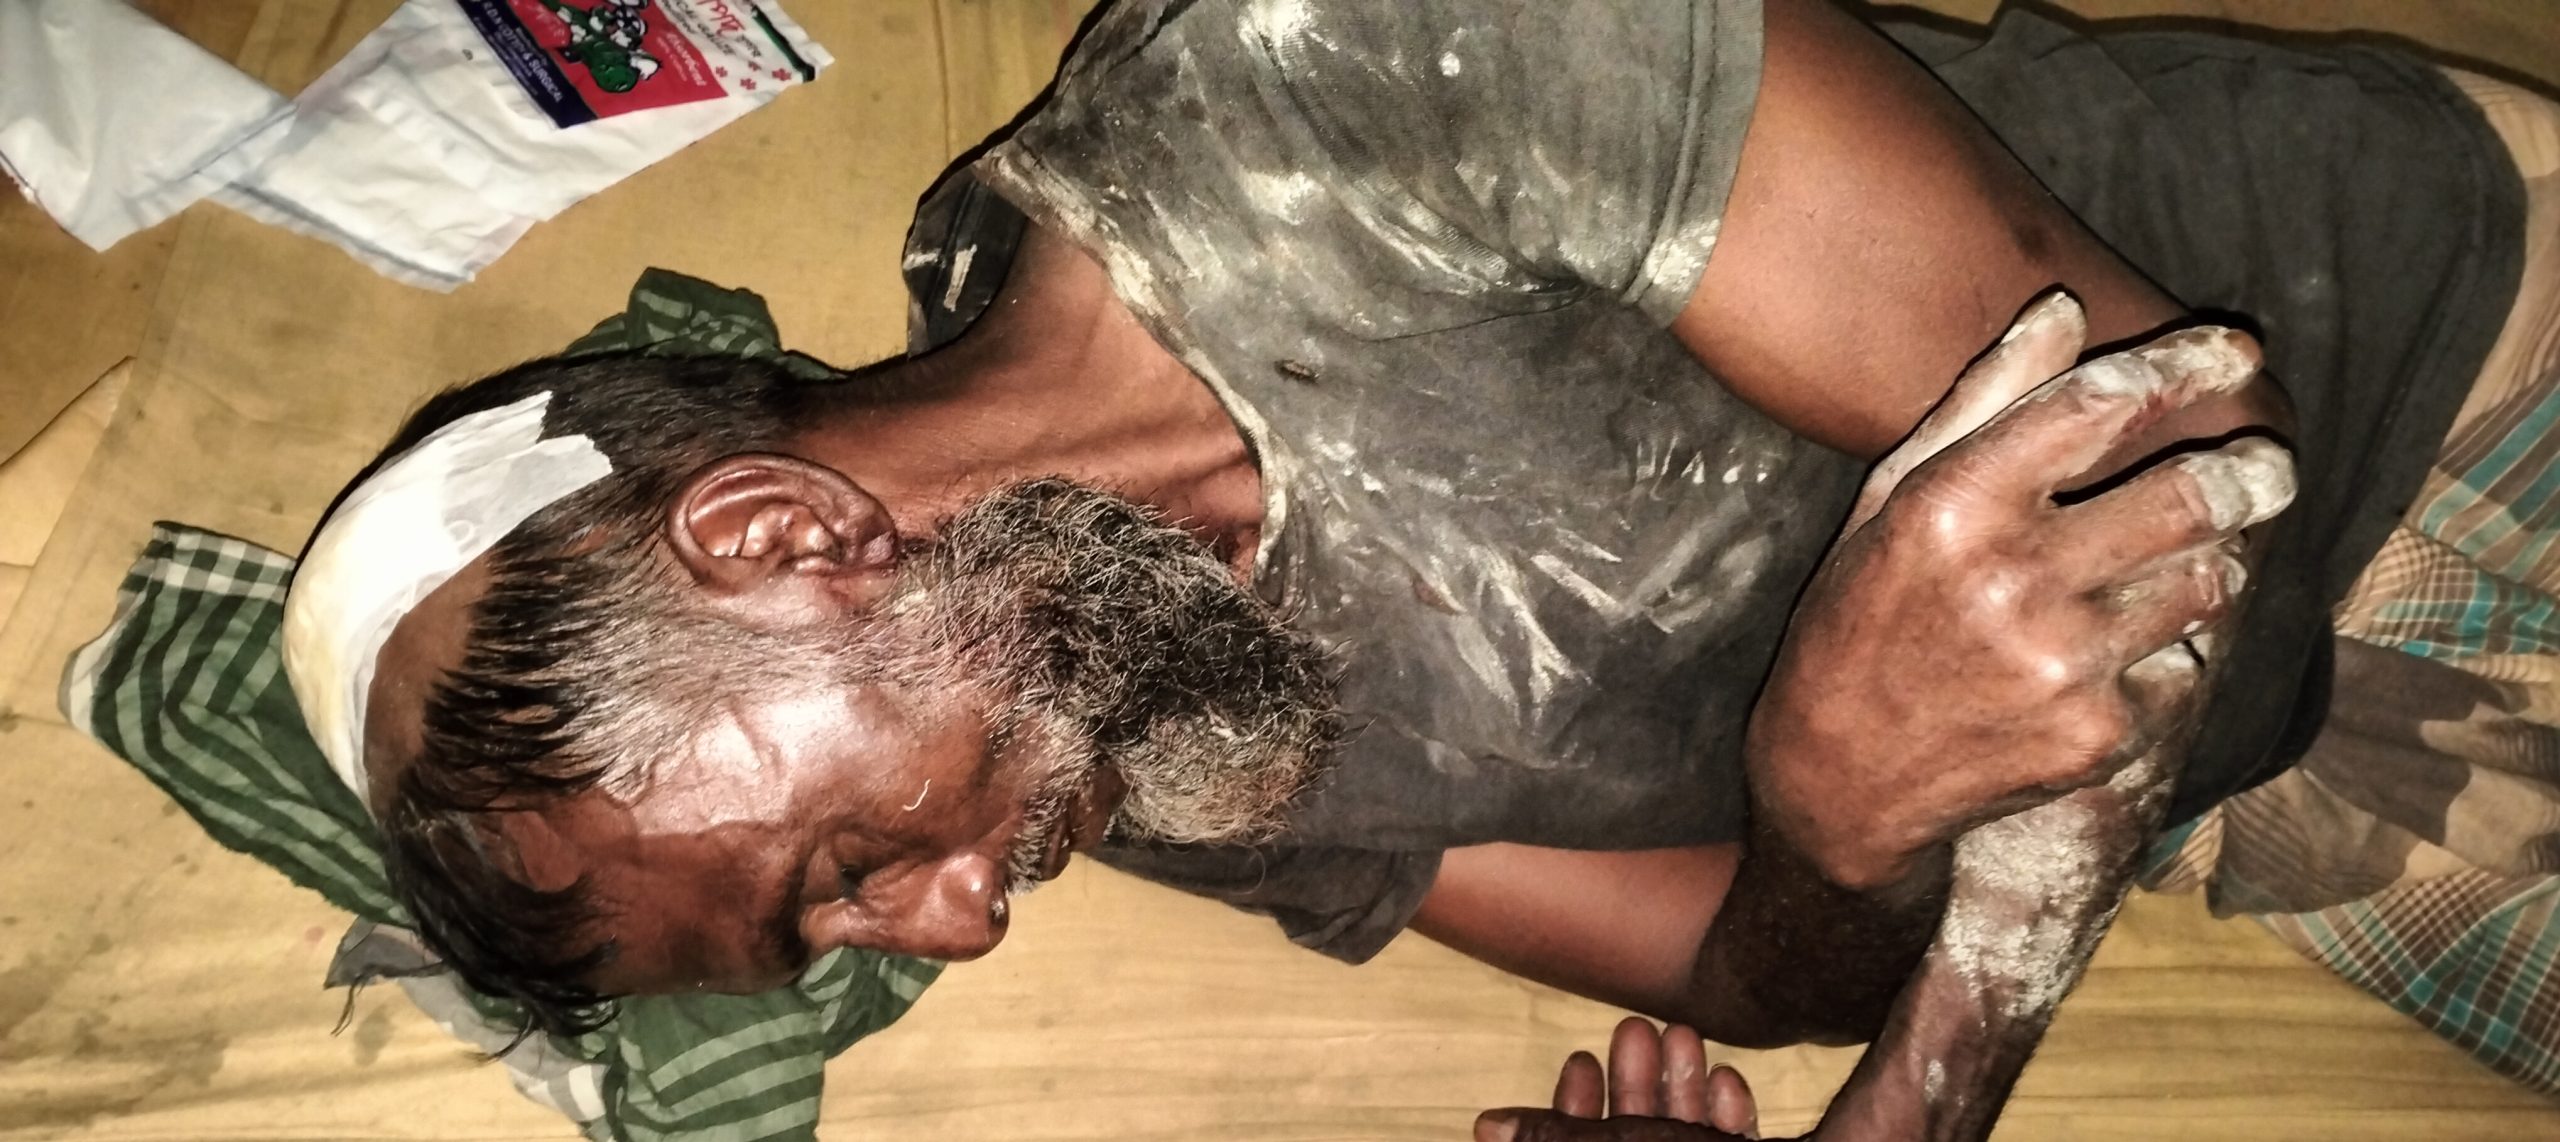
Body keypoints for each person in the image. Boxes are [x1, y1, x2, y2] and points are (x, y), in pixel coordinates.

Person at [278, 0, 2560, 1135]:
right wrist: (1829, 824)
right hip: (2249, 799)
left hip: (2448, 375)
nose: (957, 927)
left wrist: (1917, 1097)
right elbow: (1747, 965)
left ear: (775, 538)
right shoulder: (1130, 736)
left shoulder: (1329, 78)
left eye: (839, 874)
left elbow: (2179, 461)